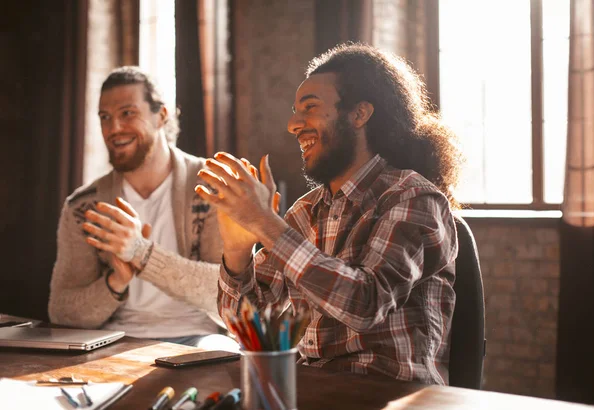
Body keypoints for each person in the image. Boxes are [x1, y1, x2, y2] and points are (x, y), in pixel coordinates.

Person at [195, 43, 463, 383]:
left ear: (359, 114)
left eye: (309, 108)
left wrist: (267, 225)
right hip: (312, 390)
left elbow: (366, 305)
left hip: (390, 395)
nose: (293, 124)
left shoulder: (412, 197)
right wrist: (237, 251)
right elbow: (249, 328)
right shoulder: (305, 212)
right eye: (295, 111)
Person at [48, 66, 237, 349]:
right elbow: (62, 311)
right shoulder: (82, 206)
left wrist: (142, 254)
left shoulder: (211, 187)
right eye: (105, 117)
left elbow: (228, 294)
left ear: (161, 116)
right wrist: (115, 281)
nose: (114, 129)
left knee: (227, 360)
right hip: (114, 340)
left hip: (199, 338)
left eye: (127, 113)